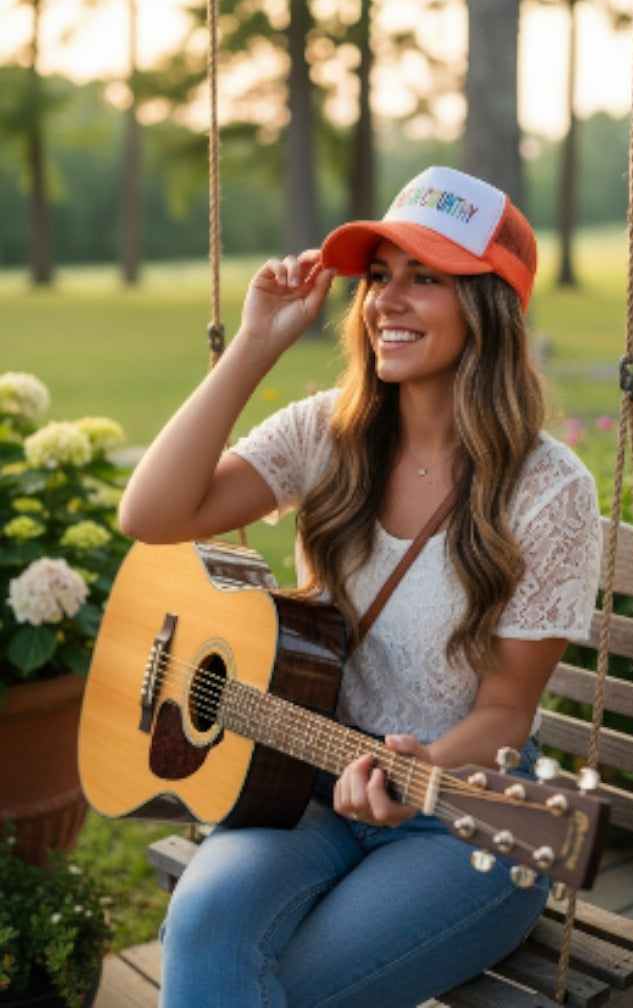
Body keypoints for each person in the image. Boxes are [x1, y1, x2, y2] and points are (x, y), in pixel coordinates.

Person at [119, 165, 602, 1008]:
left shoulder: (548, 491)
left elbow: (504, 714)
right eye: (379, 276)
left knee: (277, 990)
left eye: (425, 278)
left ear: (489, 304)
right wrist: (257, 342)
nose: (386, 300)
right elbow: (153, 513)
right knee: (202, 927)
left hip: (462, 814)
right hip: (304, 783)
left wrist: (412, 769)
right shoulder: (327, 434)